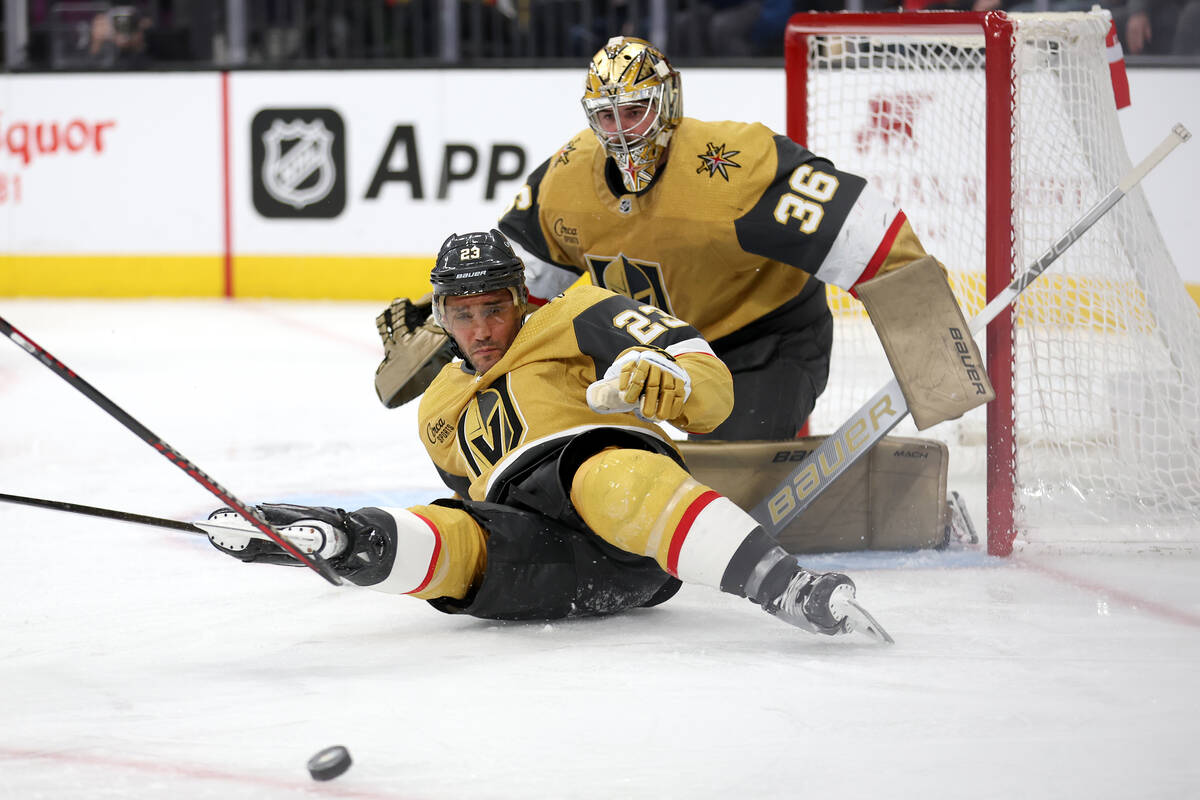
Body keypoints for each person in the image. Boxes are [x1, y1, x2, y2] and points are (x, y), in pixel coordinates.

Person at [205, 229, 886, 639]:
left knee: (601, 474)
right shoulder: (435, 409)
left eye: (494, 308)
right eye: (462, 314)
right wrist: (374, 539)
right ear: (441, 315)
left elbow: (709, 391)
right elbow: (474, 510)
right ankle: (345, 541)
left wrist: (671, 383)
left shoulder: (578, 313)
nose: (480, 330)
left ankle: (789, 588)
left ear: (520, 297)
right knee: (461, 540)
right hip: (550, 565)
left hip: (627, 527)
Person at [374, 36, 992, 442]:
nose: (620, 132)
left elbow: (868, 235)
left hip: (763, 343)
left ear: (667, 103)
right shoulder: (566, 178)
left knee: (722, 480)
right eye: (606, 116)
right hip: (645, 348)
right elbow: (518, 288)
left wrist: (937, 355)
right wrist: (447, 326)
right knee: (551, 438)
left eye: (634, 112)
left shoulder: (734, 164)